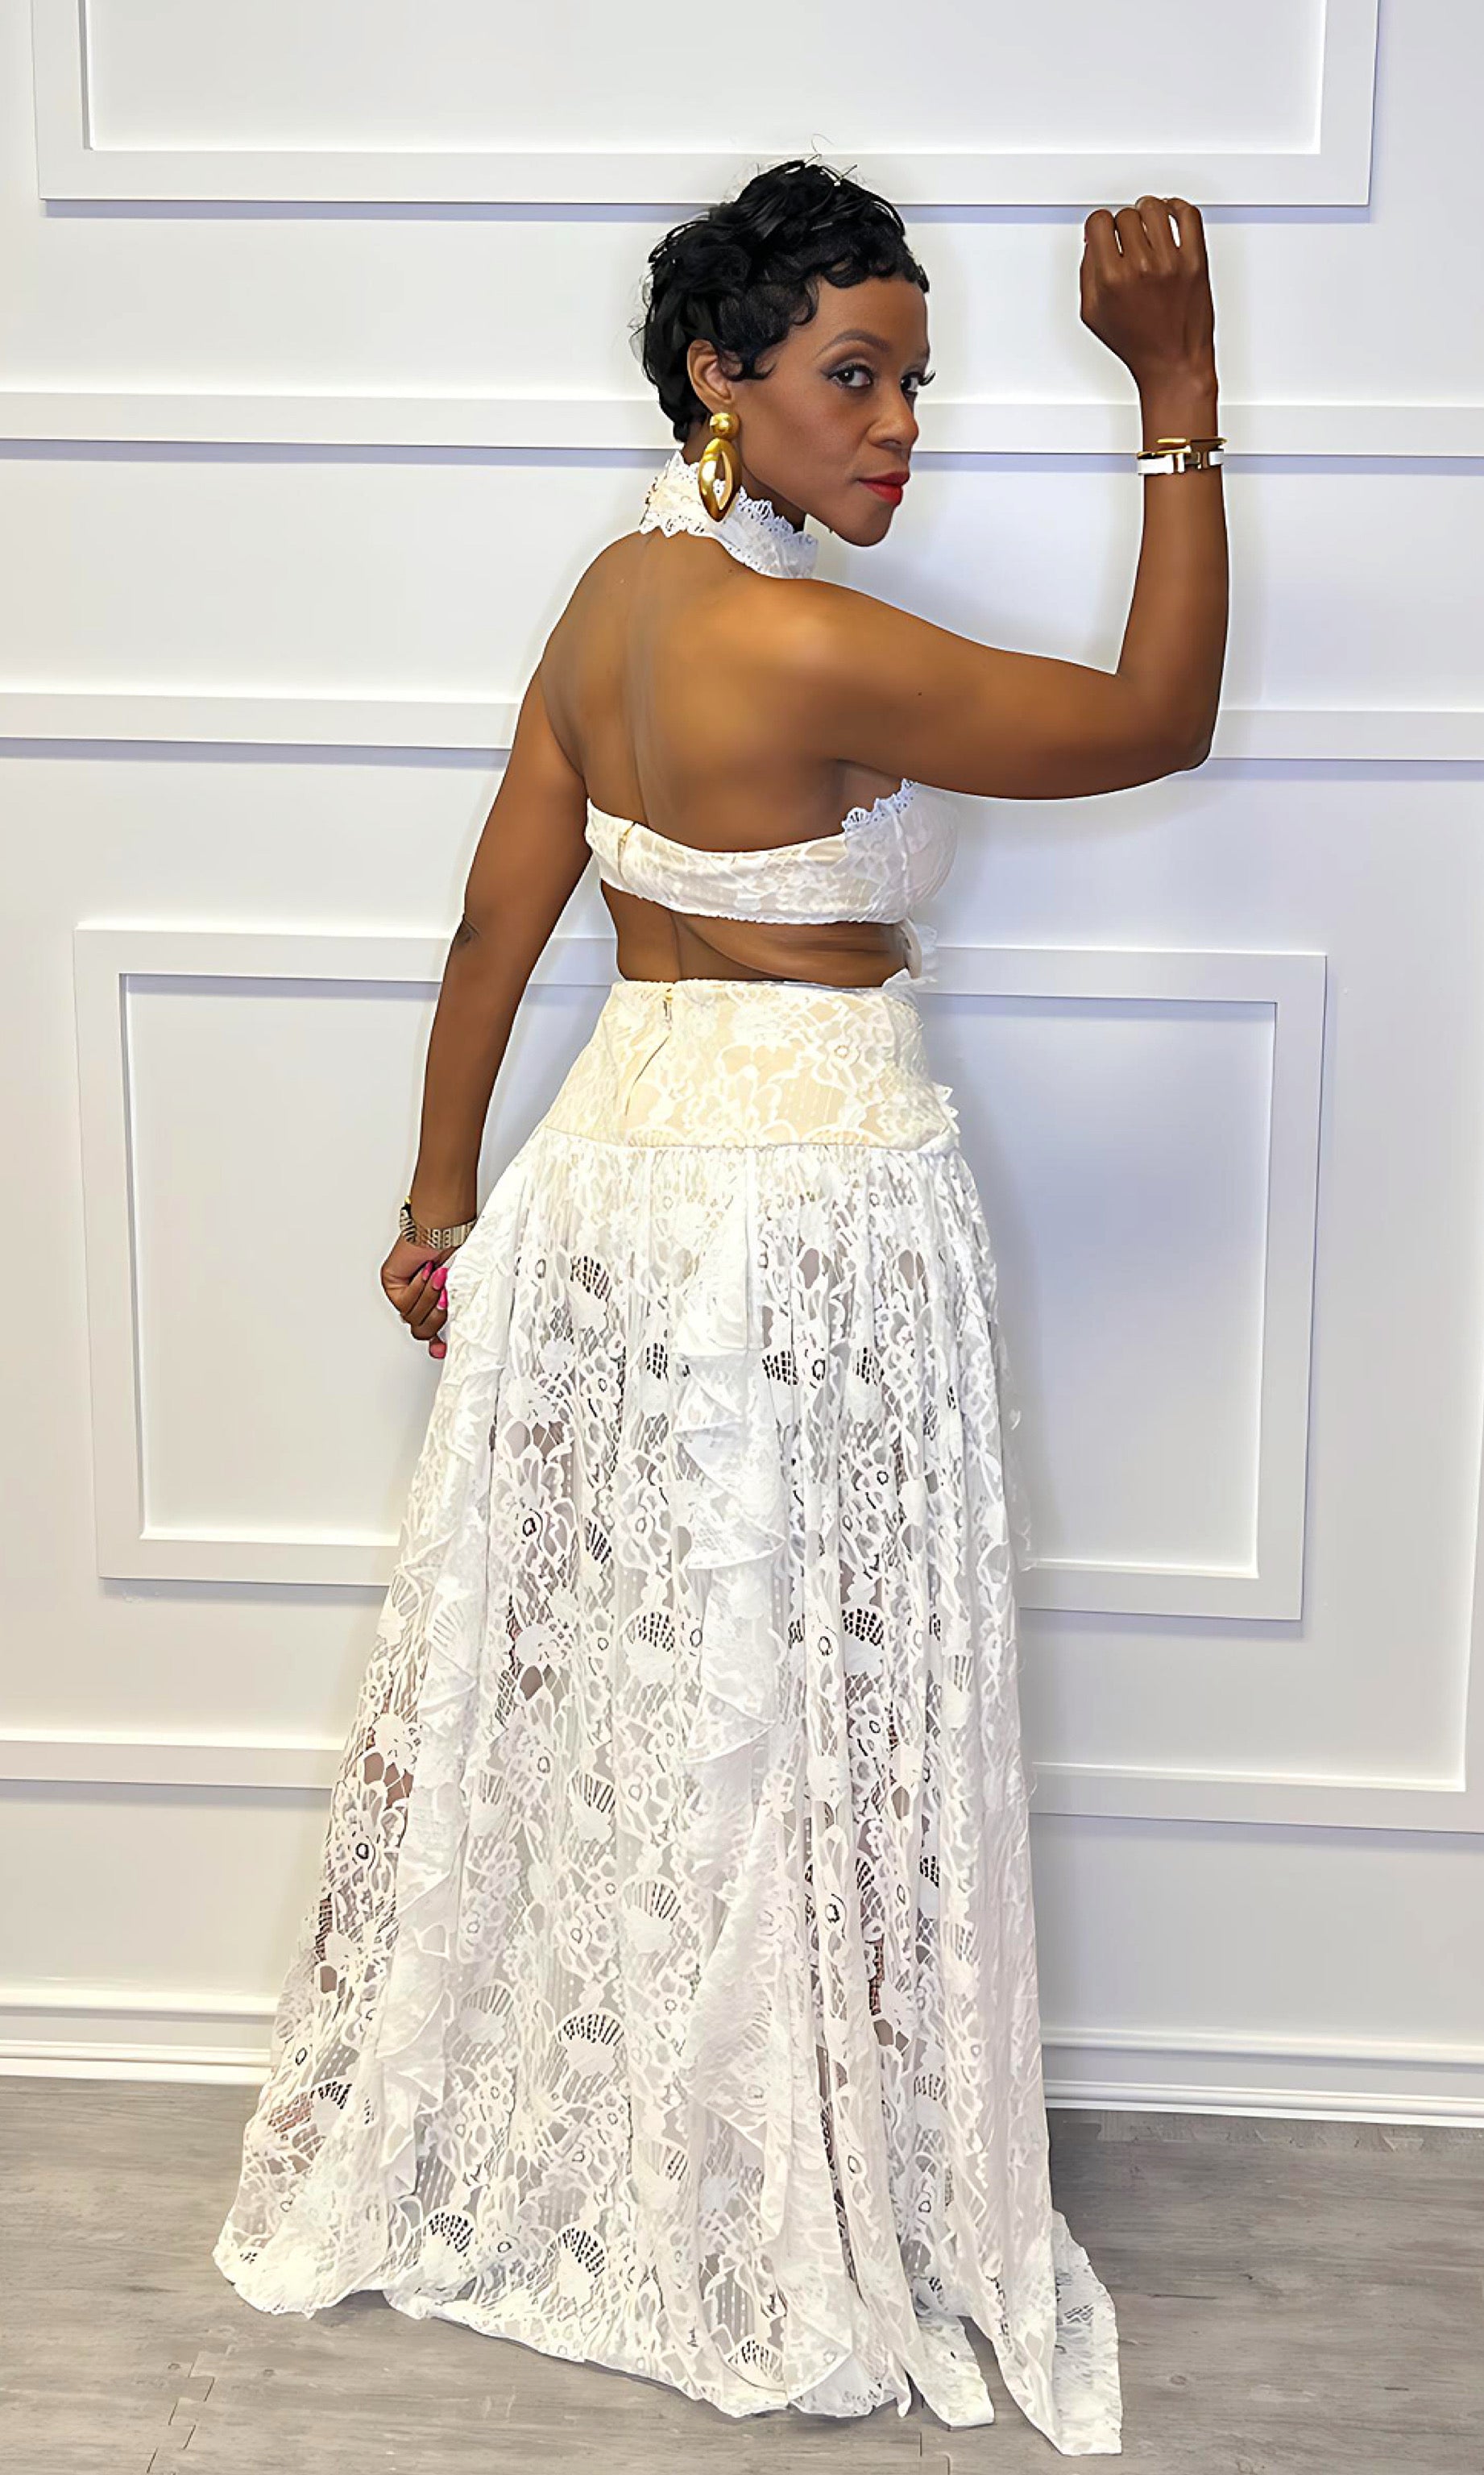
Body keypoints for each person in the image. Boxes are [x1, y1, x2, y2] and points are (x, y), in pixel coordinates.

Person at [213, 158, 1225, 2455]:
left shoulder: (612, 608)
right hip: (811, 1202)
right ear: (720, 377)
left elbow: (501, 921)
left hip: (606, 1183)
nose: (899, 430)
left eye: (916, 384)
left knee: (642, 1678)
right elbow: (1156, 718)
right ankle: (774, 2172)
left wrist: (440, 1195)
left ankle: (657, 2135)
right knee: (795, 1684)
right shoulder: (807, 648)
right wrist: (1174, 395)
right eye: (854, 379)